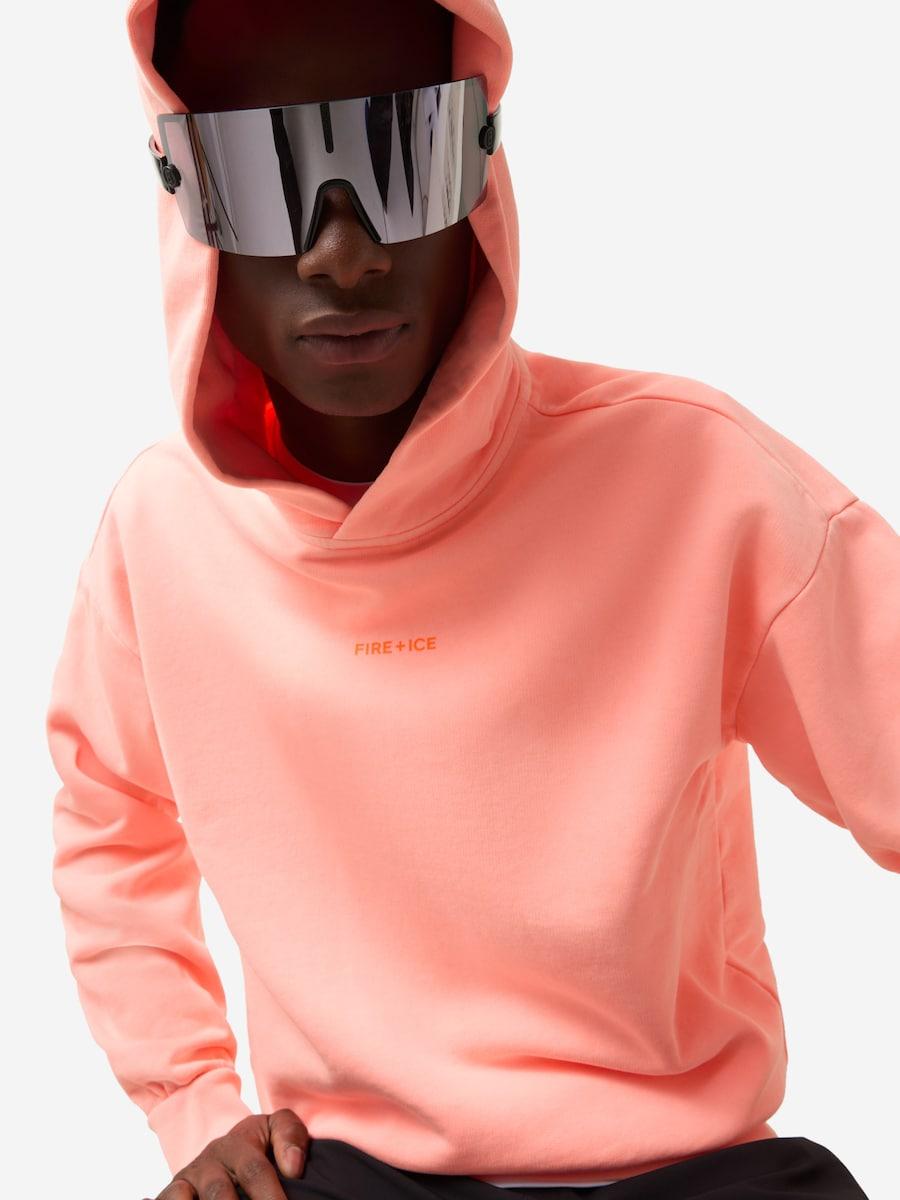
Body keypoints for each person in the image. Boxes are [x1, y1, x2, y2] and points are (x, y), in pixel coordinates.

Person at [45, 0, 896, 1197]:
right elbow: (110, 824)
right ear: (186, 201)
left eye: (402, 154)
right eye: (264, 175)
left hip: (694, 1170)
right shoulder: (162, 537)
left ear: (481, 168)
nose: (344, 256)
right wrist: (192, 1106)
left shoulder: (695, 480)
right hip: (347, 1175)